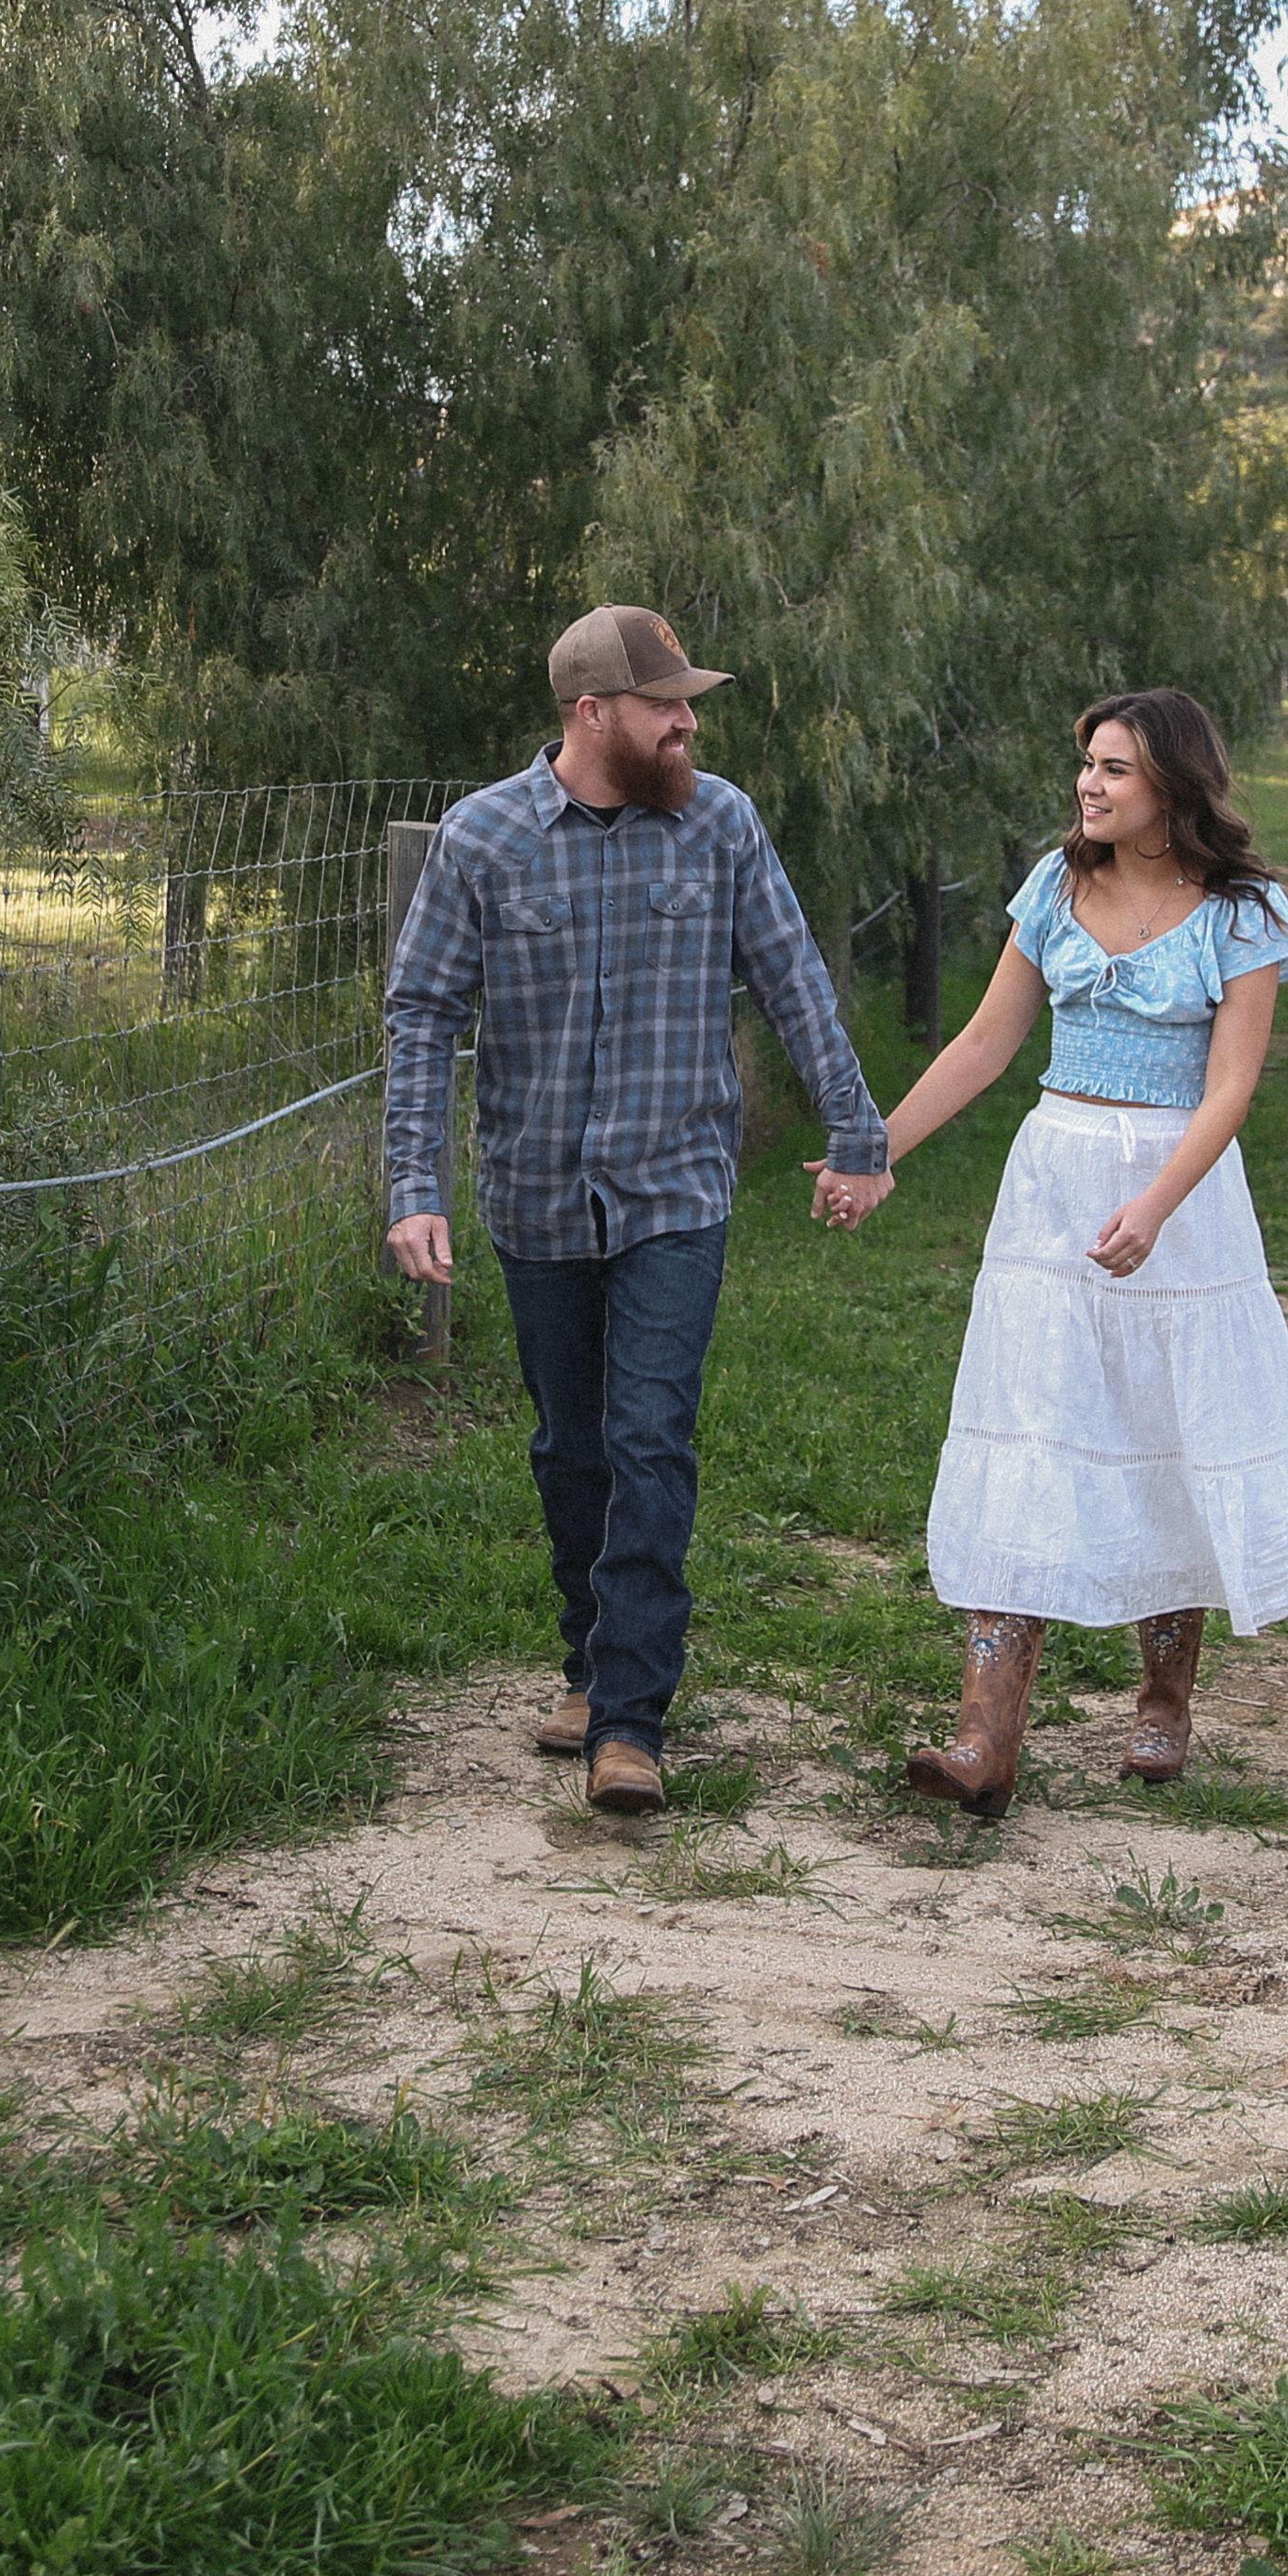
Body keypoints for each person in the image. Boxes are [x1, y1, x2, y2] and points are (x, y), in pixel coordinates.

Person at [384, 605, 896, 1818]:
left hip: (678, 1189)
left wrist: (857, 1134)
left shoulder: (720, 824)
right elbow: (422, 1015)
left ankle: (629, 1722)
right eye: (664, 704)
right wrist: (414, 1187)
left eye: (686, 703)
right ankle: (589, 1659)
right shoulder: (482, 839)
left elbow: (793, 978)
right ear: (593, 712)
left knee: (650, 1436)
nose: (686, 723)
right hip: (539, 1195)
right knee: (571, 1446)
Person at [859, 684, 1288, 1811]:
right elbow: (987, 1041)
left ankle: (1163, 1701)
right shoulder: (1054, 886)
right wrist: (878, 1151)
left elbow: (1231, 1087)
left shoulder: (1243, 913)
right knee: (1030, 1420)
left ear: (1172, 786)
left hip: (1176, 1187)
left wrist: (1156, 1206)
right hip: (1052, 1180)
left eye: (1115, 768)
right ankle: (984, 1740)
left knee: (1165, 1423)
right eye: (1088, 763)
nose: (1089, 785)